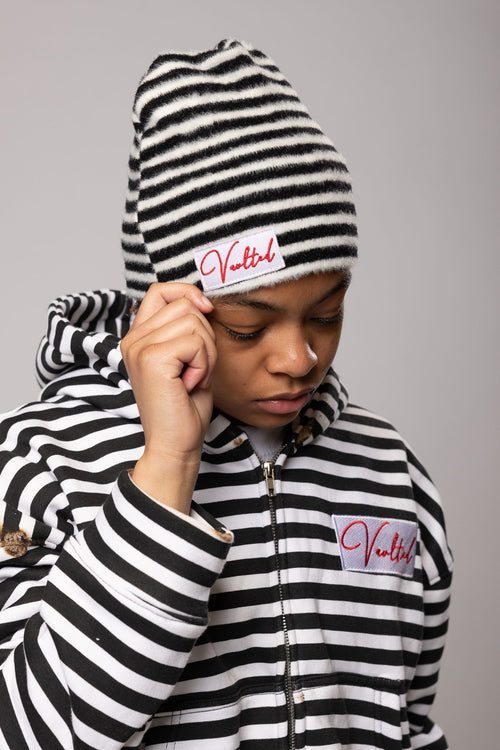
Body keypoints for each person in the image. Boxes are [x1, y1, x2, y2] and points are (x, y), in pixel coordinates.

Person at [0, 39, 452, 749]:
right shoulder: (42, 459)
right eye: (248, 327)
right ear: (168, 309)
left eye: (327, 313)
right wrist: (167, 467)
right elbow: (32, 733)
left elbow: (410, 724)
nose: (300, 360)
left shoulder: (390, 471)